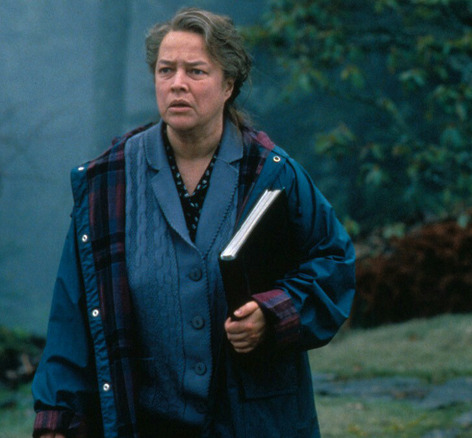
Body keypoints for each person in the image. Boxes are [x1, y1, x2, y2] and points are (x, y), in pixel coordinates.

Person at [32, 7, 355, 437]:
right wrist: (57, 419)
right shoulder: (105, 183)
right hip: (145, 422)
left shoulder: (273, 173)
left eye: (196, 71)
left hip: (254, 422)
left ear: (229, 84)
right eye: (166, 70)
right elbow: (71, 315)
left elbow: (334, 261)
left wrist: (273, 313)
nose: (177, 83)